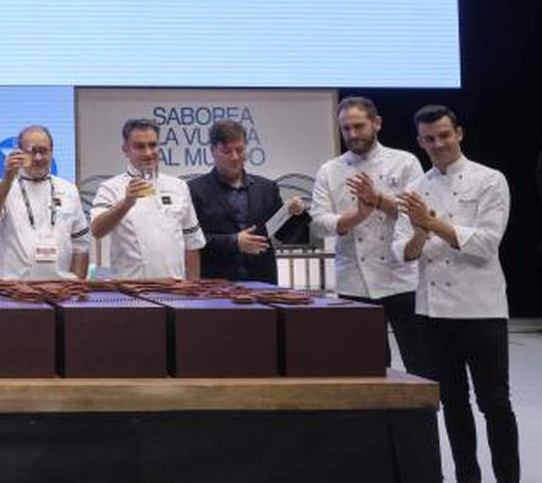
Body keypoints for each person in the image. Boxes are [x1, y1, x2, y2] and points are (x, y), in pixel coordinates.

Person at [393, 105, 535, 483]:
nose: (437, 144)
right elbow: (405, 253)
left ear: (459, 133)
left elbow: (486, 245)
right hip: (433, 311)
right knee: (451, 402)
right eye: (429, 139)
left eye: (444, 135)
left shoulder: (490, 180)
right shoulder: (415, 188)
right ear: (420, 142)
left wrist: (431, 222)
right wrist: (419, 229)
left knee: (494, 403)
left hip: (481, 308)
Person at [310, 96, 425, 374]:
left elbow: (419, 213)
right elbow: (319, 223)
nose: (352, 134)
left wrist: (378, 200)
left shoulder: (404, 162)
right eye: (346, 128)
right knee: (367, 364)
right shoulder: (330, 170)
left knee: (420, 361)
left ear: (377, 124)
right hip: (354, 281)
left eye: (359, 126)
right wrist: (358, 215)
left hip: (402, 277)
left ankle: (421, 417)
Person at [187, 120, 308, 282]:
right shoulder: (194, 190)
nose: (235, 157)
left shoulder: (267, 188)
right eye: (227, 151)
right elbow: (190, 241)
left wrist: (296, 214)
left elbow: (287, 236)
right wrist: (233, 242)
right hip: (215, 285)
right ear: (213, 151)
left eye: (240, 150)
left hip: (263, 284)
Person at [89, 119, 204, 279]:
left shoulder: (179, 187)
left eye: (153, 145)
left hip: (175, 291)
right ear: (126, 150)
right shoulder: (110, 188)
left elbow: (192, 243)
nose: (148, 153)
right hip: (130, 293)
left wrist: (194, 289)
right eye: (140, 147)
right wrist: (126, 204)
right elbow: (97, 230)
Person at [0, 125, 89, 279]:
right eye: (32, 151)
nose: (38, 158)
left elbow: (80, 245)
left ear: (52, 152)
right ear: (20, 153)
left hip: (60, 290)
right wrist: (8, 178)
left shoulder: (69, 190)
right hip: (14, 292)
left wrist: (78, 289)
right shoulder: (2, 187)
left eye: (43, 151)